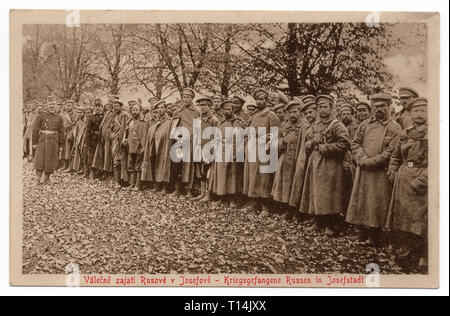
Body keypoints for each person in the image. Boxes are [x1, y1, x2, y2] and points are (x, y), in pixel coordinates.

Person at [346, 93, 402, 246]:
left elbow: (392, 150)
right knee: (362, 200)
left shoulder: (394, 127)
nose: (379, 109)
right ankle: (362, 232)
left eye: (382, 106)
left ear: (389, 107)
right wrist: (362, 159)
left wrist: (374, 161)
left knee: (376, 202)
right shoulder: (365, 125)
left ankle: (375, 236)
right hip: (363, 170)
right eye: (376, 106)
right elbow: (355, 144)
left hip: (380, 173)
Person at [299, 95, 351, 237]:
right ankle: (318, 221)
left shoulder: (336, 125)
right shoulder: (316, 124)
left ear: (331, 108)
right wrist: (309, 144)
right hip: (316, 162)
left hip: (330, 165)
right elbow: (311, 138)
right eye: (320, 107)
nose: (322, 110)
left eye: (325, 107)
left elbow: (345, 144)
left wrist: (325, 148)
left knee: (329, 195)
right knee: (316, 193)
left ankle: (331, 224)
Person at [386, 97, 428, 272]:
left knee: (417, 220)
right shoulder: (406, 133)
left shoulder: (433, 134)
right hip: (402, 179)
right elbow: (396, 155)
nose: (419, 114)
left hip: (419, 182)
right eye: (415, 111)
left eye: (423, 111)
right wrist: (392, 170)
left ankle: (419, 256)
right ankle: (405, 253)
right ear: (410, 114)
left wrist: (421, 181)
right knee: (402, 219)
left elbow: (437, 163)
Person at [243, 88, 281, 216]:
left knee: (265, 178)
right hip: (252, 148)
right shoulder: (254, 116)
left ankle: (266, 206)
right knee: (253, 175)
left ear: (266, 100)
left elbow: (276, 134)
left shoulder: (271, 116)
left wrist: (267, 143)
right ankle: (253, 202)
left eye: (262, 99)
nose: (259, 101)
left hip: (265, 150)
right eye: (257, 99)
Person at [272, 100, 304, 217]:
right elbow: (278, 138)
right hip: (285, 159)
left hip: (298, 159)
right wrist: (281, 142)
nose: (292, 115)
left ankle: (298, 212)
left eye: (295, 112)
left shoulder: (304, 126)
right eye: (290, 112)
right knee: (285, 185)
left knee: (298, 184)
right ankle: (286, 209)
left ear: (300, 112)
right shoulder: (284, 126)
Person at [211, 99, 246, 208]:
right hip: (221, 152)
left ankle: (232, 200)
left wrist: (236, 153)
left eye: (229, 109)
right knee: (221, 176)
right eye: (225, 109)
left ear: (233, 110)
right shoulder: (220, 122)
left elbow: (241, 139)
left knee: (232, 177)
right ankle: (222, 198)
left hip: (232, 152)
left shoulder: (237, 122)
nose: (227, 111)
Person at [171, 88, 201, 198]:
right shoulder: (178, 110)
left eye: (188, 97)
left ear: (192, 98)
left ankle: (190, 190)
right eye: (184, 97)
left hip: (190, 141)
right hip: (179, 142)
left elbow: (197, 129)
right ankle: (178, 188)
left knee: (189, 166)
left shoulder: (196, 111)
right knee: (178, 164)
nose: (186, 99)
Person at [289, 97, 317, 210]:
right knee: (301, 184)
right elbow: (300, 145)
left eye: (311, 112)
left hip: (313, 160)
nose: (309, 115)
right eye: (306, 113)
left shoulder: (318, 126)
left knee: (311, 186)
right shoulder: (305, 127)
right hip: (302, 159)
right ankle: (300, 211)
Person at [142, 100, 174, 194]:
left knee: (164, 166)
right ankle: (157, 185)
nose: (160, 110)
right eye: (158, 108)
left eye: (162, 108)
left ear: (165, 109)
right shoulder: (156, 122)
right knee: (154, 165)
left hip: (165, 148)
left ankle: (165, 187)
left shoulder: (169, 121)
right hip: (154, 147)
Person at [192, 96, 220, 201]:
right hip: (199, 147)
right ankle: (202, 192)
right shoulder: (198, 120)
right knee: (201, 171)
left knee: (209, 172)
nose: (202, 108)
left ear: (209, 106)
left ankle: (209, 194)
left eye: (205, 105)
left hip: (209, 148)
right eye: (200, 105)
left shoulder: (214, 120)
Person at [31, 102, 64, 185]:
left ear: (56, 107)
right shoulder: (41, 116)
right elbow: (35, 130)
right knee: (40, 159)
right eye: (50, 105)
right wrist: (34, 143)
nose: (51, 106)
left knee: (51, 160)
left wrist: (61, 144)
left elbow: (61, 132)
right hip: (42, 140)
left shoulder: (59, 118)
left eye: (53, 105)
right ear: (46, 107)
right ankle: (37, 179)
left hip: (54, 141)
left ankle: (46, 179)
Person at [123, 103, 147, 191]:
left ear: (140, 111)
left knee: (138, 166)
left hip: (138, 148)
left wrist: (143, 148)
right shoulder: (130, 121)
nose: (135, 112)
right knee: (131, 166)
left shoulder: (142, 123)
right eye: (133, 110)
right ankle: (132, 184)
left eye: (137, 110)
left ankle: (138, 185)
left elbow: (143, 136)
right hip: (130, 147)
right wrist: (125, 139)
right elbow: (127, 133)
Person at [85, 98, 104, 180]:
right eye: (96, 106)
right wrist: (87, 142)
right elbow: (88, 131)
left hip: (101, 139)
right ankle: (92, 173)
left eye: (99, 106)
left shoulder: (105, 117)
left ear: (102, 107)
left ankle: (100, 173)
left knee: (100, 156)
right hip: (93, 139)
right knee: (91, 156)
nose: (97, 108)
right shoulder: (91, 117)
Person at [61, 100, 76, 171]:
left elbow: (75, 125)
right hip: (64, 132)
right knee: (64, 150)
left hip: (71, 132)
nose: (67, 107)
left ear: (72, 106)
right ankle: (65, 165)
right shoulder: (64, 114)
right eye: (66, 105)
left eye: (69, 105)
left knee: (69, 150)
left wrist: (71, 134)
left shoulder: (74, 114)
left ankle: (70, 166)